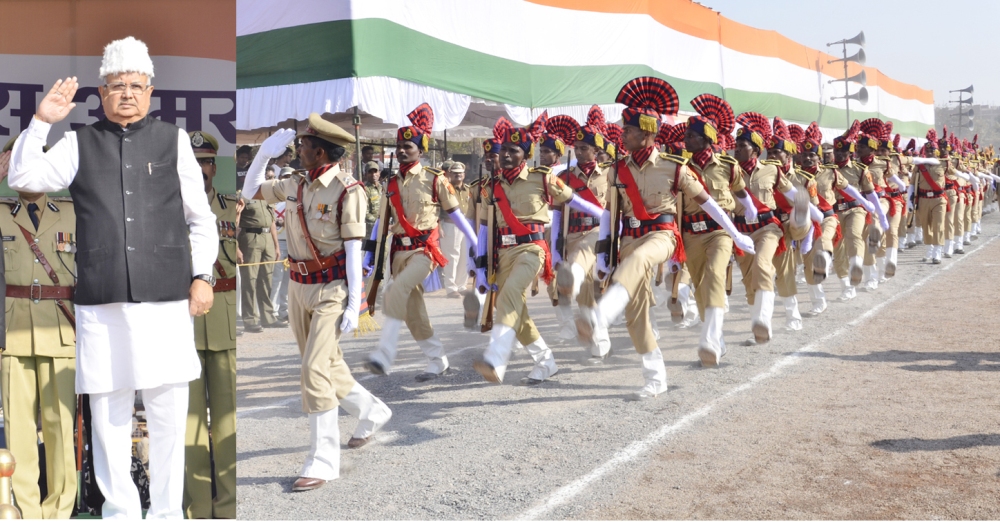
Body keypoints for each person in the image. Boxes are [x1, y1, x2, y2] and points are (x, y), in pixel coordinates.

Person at [8, 36, 218, 518]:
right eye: (117, 85)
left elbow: (200, 219)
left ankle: (165, 513)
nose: (127, 93)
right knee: (107, 416)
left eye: (136, 85)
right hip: (102, 302)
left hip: (166, 299)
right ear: (101, 93)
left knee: (167, 416)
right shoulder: (80, 142)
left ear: (150, 90)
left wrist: (202, 275)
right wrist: (43, 121)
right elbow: (25, 179)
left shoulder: (174, 140)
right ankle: (121, 512)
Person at [242, 114, 391, 491]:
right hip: (298, 284)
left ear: (320, 151)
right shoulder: (295, 182)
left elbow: (354, 251)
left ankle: (323, 460)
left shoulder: (347, 190)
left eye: (304, 145)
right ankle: (373, 411)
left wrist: (356, 305)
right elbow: (250, 192)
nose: (298, 150)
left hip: (332, 288)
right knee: (327, 364)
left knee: (313, 368)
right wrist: (262, 154)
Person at [578, 77, 753, 394]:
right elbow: (609, 215)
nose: (622, 134)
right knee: (636, 316)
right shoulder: (617, 170)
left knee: (644, 258)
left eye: (628, 130)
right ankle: (655, 376)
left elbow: (708, 203)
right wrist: (604, 255)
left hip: (662, 236)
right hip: (628, 240)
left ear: (646, 133)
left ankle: (601, 313)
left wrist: (735, 234)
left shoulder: (675, 168)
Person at [473, 113, 604, 386]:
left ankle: (496, 359)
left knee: (509, 296)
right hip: (502, 254)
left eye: (513, 151)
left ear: (525, 154)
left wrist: (606, 220)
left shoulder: (542, 179)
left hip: (532, 249)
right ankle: (546, 362)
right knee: (516, 311)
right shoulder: (491, 186)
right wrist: (480, 266)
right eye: (504, 150)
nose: (506, 155)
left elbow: (576, 201)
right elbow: (485, 228)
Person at [364, 104, 479, 382]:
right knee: (413, 312)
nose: (402, 151)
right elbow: (381, 222)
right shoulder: (390, 183)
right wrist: (369, 257)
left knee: (395, 289)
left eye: (408, 146)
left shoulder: (434, 179)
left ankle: (384, 352)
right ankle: (437, 360)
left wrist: (478, 245)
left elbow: (457, 215)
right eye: (399, 146)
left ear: (421, 150)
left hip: (424, 251)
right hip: (398, 252)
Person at [0, 143, 75, 519]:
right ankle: (27, 512)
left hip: (62, 330)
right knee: (20, 432)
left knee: (62, 429)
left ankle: (59, 512)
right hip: (12, 333)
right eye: (17, 164)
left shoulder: (73, 212)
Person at [184, 130, 238, 519]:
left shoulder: (234, 208)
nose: (200, 169)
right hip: (181, 325)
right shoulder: (163, 211)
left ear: (213, 167)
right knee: (187, 428)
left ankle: (231, 508)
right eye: (193, 162)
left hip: (225, 322)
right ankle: (197, 509)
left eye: (205, 162)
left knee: (228, 423)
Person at [547, 106, 611, 351]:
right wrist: (554, 251)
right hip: (570, 233)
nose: (579, 151)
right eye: (576, 147)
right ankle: (600, 343)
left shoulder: (609, 174)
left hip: (598, 234)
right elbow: (557, 213)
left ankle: (569, 279)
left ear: (596, 150)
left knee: (580, 261)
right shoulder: (563, 176)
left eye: (585, 147)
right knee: (590, 296)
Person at [238, 155, 282, 332]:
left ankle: (268, 317)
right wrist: (236, 248)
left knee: (267, 279)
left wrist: (276, 245)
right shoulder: (243, 195)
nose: (271, 181)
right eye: (268, 178)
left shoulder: (267, 196)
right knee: (250, 279)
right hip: (250, 238)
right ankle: (250, 319)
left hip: (267, 239)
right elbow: (235, 221)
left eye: (272, 178)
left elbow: (272, 222)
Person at [439, 161, 473, 298]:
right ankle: (451, 288)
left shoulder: (469, 189)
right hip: (450, 225)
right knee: (452, 257)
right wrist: (438, 226)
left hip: (467, 226)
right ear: (449, 174)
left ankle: (461, 285)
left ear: (464, 175)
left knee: (465, 256)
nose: (458, 175)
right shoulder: (444, 189)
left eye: (460, 173)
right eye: (455, 173)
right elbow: (436, 209)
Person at [271, 166, 294, 322]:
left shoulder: (298, 197)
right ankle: (273, 311)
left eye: (289, 177)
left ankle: (284, 309)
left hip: (293, 242)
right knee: (276, 278)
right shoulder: (272, 198)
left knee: (288, 278)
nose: (287, 180)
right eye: (284, 177)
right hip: (279, 242)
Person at [363, 161, 381, 239]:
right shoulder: (365, 190)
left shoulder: (383, 188)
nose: (373, 174)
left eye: (375, 171)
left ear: (379, 173)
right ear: (366, 174)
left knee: (384, 250)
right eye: (370, 172)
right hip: (371, 231)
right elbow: (365, 212)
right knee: (372, 251)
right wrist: (378, 223)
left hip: (383, 228)